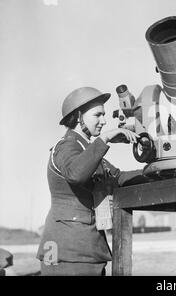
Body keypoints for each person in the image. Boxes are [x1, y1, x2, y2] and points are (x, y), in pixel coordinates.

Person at [37, 87, 147, 276]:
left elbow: (118, 178)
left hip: (81, 250)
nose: (104, 121)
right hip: (67, 251)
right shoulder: (66, 146)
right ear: (79, 116)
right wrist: (104, 139)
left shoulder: (86, 150)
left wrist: (154, 171)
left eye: (104, 115)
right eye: (98, 115)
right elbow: (76, 174)